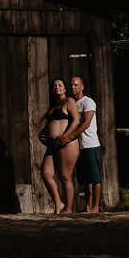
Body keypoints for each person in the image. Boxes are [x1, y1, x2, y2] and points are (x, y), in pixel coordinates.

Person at [59, 75, 102, 213]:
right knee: (85, 179)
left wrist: (70, 136)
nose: (73, 87)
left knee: (95, 178)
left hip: (90, 144)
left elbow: (86, 123)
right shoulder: (72, 103)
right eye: (71, 85)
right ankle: (88, 206)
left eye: (76, 85)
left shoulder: (88, 102)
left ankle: (96, 207)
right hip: (79, 145)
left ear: (82, 87)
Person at [37, 77, 79, 214]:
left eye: (60, 85)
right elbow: (52, 123)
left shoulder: (69, 101)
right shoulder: (54, 105)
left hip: (66, 143)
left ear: (65, 88)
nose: (57, 87)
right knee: (46, 173)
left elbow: (75, 121)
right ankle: (58, 203)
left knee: (65, 176)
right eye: (54, 86)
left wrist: (66, 136)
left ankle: (68, 209)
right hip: (52, 144)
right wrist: (42, 133)